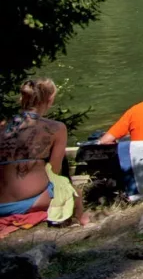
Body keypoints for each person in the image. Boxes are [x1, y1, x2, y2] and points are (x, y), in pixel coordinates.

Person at [0, 79, 83, 224]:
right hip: (31, 202)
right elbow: (54, 172)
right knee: (74, 194)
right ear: (50, 99)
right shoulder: (56, 128)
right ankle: (83, 223)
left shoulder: (3, 127)